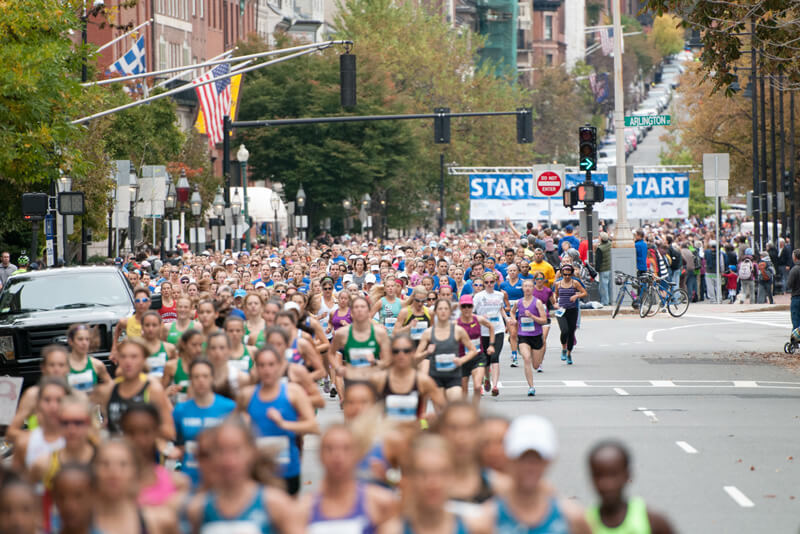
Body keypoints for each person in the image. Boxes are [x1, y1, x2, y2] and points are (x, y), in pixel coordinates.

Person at [184, 418, 301, 534]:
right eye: (220, 451)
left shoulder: (275, 504)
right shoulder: (198, 509)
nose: (229, 461)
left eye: (236, 450)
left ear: (252, 452)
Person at [485, 415, 591, 534]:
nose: (529, 467)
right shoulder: (485, 520)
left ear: (550, 460)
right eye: (522, 457)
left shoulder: (573, 518)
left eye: (538, 458)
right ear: (509, 457)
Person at [237, 345, 319, 495]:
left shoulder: (293, 391)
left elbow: (313, 426)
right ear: (256, 368)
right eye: (261, 365)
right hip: (258, 469)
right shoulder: (247, 395)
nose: (266, 370)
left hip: (287, 468)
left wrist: (284, 424)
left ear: (280, 366)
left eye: (271, 365)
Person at [298, 424, 397, 533]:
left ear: (357, 454)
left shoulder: (381, 502)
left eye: (346, 449)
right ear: (320, 455)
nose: (337, 456)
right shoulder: (303, 509)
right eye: (329, 449)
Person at [382, 434, 486, 534]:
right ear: (411, 477)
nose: (433, 483)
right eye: (423, 473)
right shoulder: (392, 531)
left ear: (452, 476)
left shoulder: (474, 528)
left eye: (441, 473)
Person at [171, 359, 236, 487]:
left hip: (220, 478)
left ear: (212, 378)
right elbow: (176, 443)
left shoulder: (229, 407)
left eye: (205, 376)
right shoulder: (180, 410)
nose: (201, 380)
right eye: (196, 377)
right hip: (190, 477)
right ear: (191, 380)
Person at [586, 440, 675, 534]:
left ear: (627, 475)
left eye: (613, 475)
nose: (607, 484)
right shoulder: (584, 524)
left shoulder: (652, 521)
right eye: (599, 475)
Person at [91, 439, 177, 534]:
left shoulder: (160, 521)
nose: (113, 472)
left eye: (123, 465)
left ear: (135, 471)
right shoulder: (78, 522)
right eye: (105, 464)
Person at [97, 338, 174, 440]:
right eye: (123, 356)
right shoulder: (110, 390)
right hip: (119, 452)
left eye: (134, 357)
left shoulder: (153, 388)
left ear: (144, 359)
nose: (128, 361)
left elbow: (169, 429)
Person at [120, 403, 190, 510]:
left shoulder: (178, 484)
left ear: (157, 432)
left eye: (146, 432)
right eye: (131, 432)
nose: (139, 440)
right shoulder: (111, 485)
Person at [6, 345, 71, 444]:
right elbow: (11, 433)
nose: (56, 369)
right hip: (39, 454)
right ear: (43, 368)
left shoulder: (76, 395)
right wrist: (37, 439)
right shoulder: (32, 395)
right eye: (52, 365)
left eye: (61, 365)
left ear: (68, 368)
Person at [372, 333, 446, 421]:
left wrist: (433, 420)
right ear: (391, 353)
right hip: (388, 433)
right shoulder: (379, 380)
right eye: (396, 351)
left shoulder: (423, 381)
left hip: (413, 433)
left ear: (413, 352)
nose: (401, 354)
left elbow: (446, 410)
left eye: (406, 351)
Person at [416, 299, 479, 401]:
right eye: (440, 309)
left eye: (446, 309)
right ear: (435, 312)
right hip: (436, 377)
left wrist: (461, 360)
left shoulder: (458, 330)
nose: (443, 311)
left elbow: (473, 350)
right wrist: (427, 352)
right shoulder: (428, 333)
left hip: (453, 377)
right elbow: (416, 357)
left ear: (450, 312)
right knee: (441, 411)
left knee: (455, 405)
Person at [11, 377, 68, 474]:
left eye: (59, 400)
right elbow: (17, 482)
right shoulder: (24, 442)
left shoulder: (76, 438)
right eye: (47, 400)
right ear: (38, 403)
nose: (53, 406)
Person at [510, 279, 547, 397]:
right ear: (522, 288)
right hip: (523, 336)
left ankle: (537, 355)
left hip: (536, 336)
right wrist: (514, 319)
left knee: (535, 365)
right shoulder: (518, 302)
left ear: (533, 288)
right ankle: (531, 387)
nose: (527, 288)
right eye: (525, 286)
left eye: (530, 286)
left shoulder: (538, 303)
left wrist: (532, 316)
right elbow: (512, 312)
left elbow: (544, 320)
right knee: (526, 359)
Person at [473, 273, 508, 396]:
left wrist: (507, 320)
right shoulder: (478, 296)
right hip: (483, 332)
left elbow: (501, 309)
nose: (489, 285)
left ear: (495, 282)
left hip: (498, 329)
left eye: (491, 282)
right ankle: (486, 379)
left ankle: (495, 386)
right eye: (486, 282)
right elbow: (472, 313)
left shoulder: (499, 295)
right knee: (485, 360)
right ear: (483, 283)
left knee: (494, 357)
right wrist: (480, 317)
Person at [456, 295, 493, 406]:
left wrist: (491, 345)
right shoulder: (456, 323)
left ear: (472, 307)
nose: (467, 309)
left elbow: (491, 326)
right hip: (463, 358)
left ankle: (475, 410)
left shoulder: (478, 319)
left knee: (477, 387)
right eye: (464, 306)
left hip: (478, 357)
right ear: (460, 308)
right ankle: (465, 412)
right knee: (464, 391)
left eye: (469, 306)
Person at [554, 264, 586, 365]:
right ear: (562, 274)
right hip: (562, 310)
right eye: (565, 275)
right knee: (564, 331)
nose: (567, 277)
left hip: (572, 310)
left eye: (569, 275)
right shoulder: (558, 284)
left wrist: (576, 296)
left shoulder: (575, 283)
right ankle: (564, 348)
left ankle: (568, 353)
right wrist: (555, 303)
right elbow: (556, 294)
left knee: (571, 332)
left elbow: (584, 292)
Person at [112, 287, 152, 359]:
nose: (141, 303)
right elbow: (118, 327)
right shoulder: (127, 322)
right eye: (137, 300)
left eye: (144, 300)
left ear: (149, 302)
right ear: (134, 303)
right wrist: (114, 348)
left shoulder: (155, 322)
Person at [140, 312, 176, 379]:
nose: (150, 329)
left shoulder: (169, 348)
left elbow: (176, 371)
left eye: (154, 325)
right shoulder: (136, 349)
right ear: (142, 326)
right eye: (147, 325)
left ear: (160, 326)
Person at [594, 233, 613, 306]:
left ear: (601, 239)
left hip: (603, 269)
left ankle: (605, 301)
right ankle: (611, 300)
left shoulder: (600, 248)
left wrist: (597, 269)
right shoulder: (610, 244)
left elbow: (598, 260)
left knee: (603, 287)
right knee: (610, 286)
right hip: (610, 268)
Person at [788, 249, 800, 330]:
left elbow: (789, 284)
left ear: (795, 258)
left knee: (796, 321)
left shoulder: (795, 269)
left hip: (796, 297)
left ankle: (796, 341)